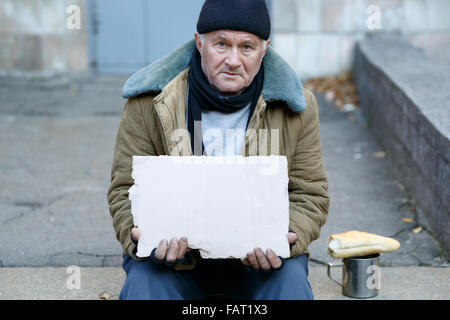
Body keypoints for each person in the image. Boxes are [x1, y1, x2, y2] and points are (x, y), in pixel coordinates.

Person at [107, 0, 329, 300]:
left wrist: (285, 238)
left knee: (290, 289)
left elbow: (309, 193)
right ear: (199, 43)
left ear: (264, 49)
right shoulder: (148, 102)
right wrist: (140, 234)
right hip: (177, 260)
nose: (234, 60)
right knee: (145, 289)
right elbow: (125, 188)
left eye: (247, 47)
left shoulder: (296, 106)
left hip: (259, 261)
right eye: (221, 44)